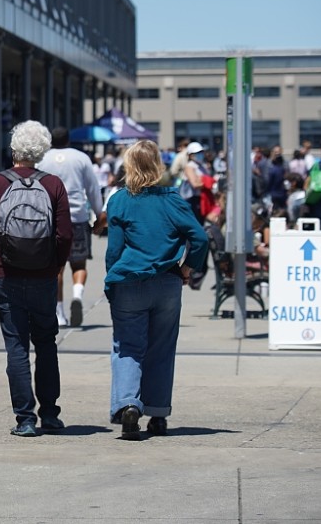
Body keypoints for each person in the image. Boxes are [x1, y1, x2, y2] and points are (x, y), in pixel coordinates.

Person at [0, 120, 72, 437]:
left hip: (6, 273)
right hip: (43, 276)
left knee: (16, 346)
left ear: (13, 149)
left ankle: (25, 419)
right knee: (46, 343)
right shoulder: (53, 185)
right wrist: (55, 265)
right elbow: (65, 235)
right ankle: (51, 414)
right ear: (41, 151)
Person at [104, 140, 208, 440]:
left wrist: (111, 280)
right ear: (157, 166)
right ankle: (158, 415)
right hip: (166, 282)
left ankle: (127, 405)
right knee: (161, 349)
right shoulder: (172, 199)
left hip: (128, 281)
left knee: (127, 346)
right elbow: (199, 238)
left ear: (129, 166)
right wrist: (188, 268)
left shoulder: (119, 200)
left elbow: (114, 251)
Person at [36, 127, 104, 327]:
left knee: (56, 268)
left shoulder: (43, 159)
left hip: (51, 218)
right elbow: (92, 187)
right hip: (77, 217)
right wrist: (99, 214)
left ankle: (59, 314)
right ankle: (77, 295)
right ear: (68, 140)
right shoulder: (81, 158)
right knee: (79, 264)